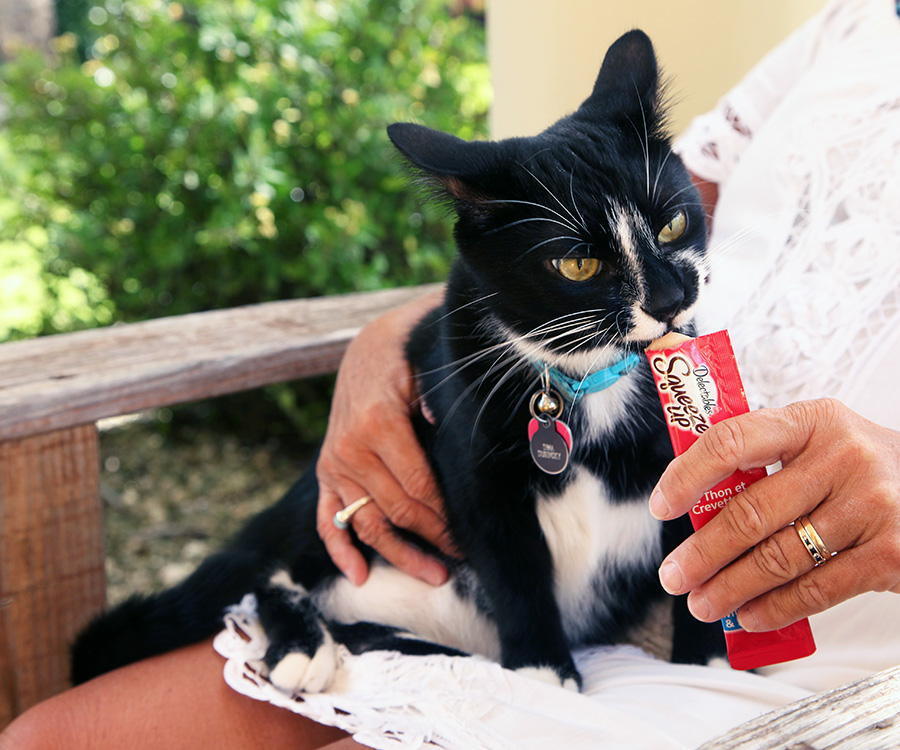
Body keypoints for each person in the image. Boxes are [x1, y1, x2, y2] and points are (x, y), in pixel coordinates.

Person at [3, 0, 900, 747]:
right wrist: (394, 342)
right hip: (582, 537)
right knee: (47, 738)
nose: (669, 287)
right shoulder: (850, 23)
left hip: (835, 657)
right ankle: (287, 601)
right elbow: (628, 200)